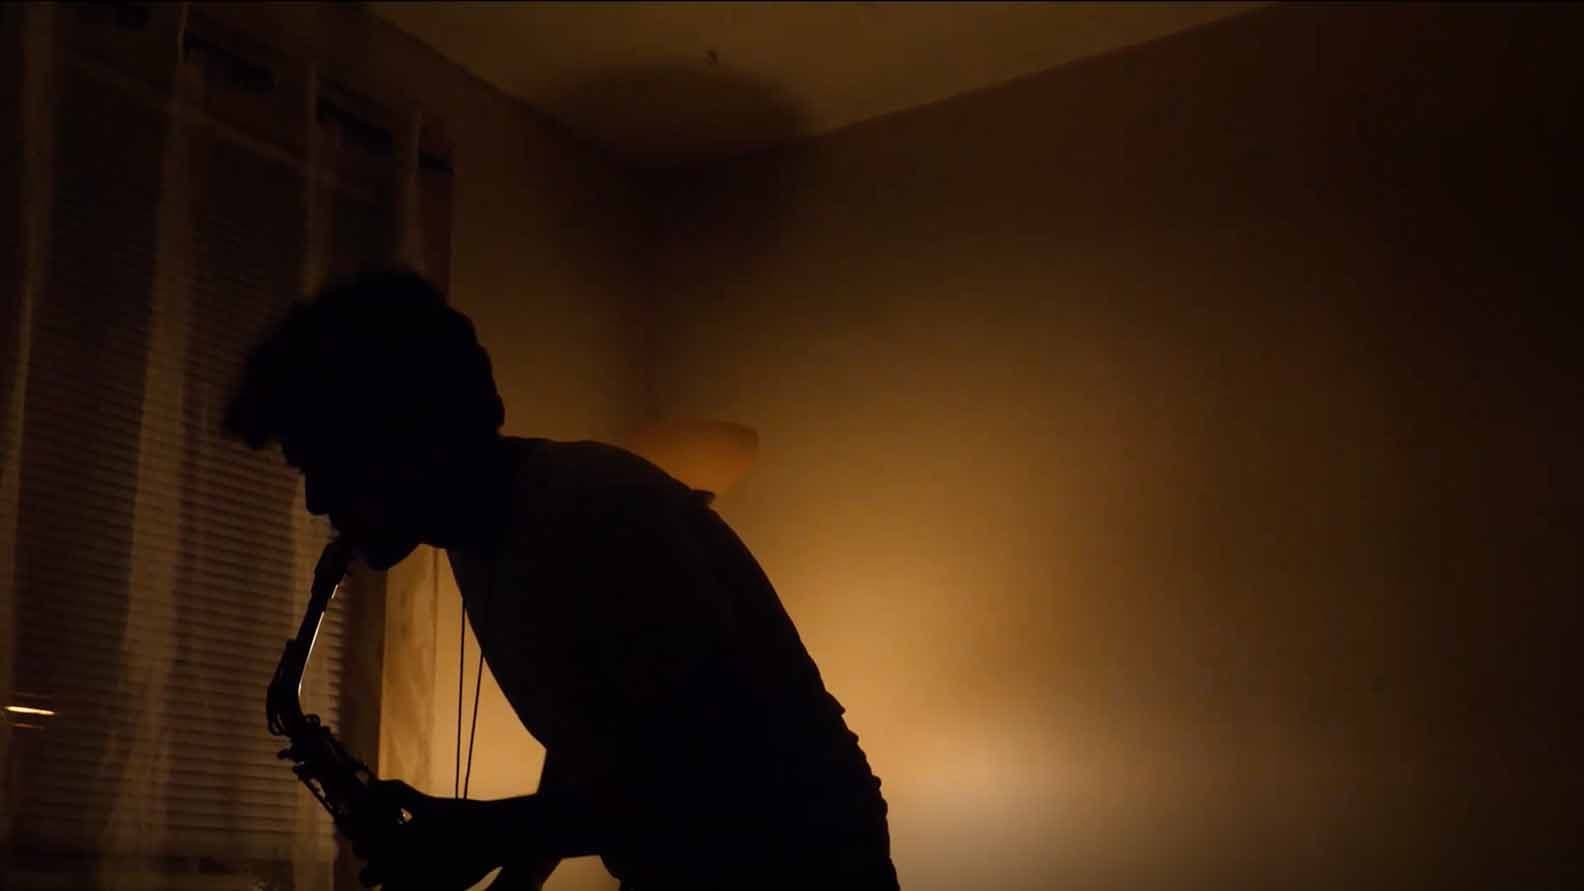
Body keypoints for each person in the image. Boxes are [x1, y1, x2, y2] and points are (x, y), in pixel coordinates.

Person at [224, 268, 899, 890]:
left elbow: (713, 768)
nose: (316, 500)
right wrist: (512, 878)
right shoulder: (482, 536)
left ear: (409, 433)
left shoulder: (594, 514)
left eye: (328, 463)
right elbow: (602, 735)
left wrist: (489, 832)